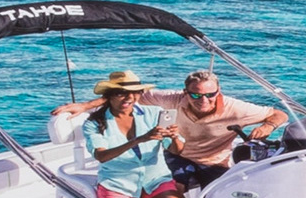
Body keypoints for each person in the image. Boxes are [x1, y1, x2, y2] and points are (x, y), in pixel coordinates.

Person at [54, 70, 288, 191]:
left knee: (219, 196)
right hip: (176, 154)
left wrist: (267, 126)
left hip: (215, 161)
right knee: (174, 186)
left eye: (210, 94)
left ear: (219, 92)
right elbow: (127, 96)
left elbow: (279, 114)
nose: (203, 100)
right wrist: (85, 105)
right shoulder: (172, 98)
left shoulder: (236, 108)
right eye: (196, 94)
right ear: (185, 92)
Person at [81, 70, 190, 198]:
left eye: (135, 92)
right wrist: (139, 140)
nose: (130, 98)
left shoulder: (155, 113)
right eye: (121, 93)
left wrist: (174, 137)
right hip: (118, 183)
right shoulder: (94, 123)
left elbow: (177, 151)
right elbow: (101, 156)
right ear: (109, 96)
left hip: (155, 180)